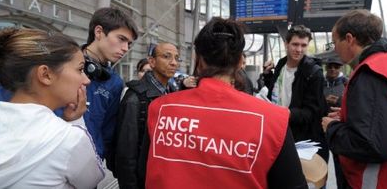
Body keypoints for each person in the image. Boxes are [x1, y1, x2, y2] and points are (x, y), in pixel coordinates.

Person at [140, 17, 308, 188]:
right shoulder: (273, 120)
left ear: (199, 61)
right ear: (238, 63)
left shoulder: (160, 109)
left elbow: (143, 171)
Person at [322, 9, 387, 189]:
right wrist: (353, 115)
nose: (334, 49)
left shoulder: (371, 72)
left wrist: (332, 128)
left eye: (335, 42)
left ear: (349, 39)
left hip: (384, 180)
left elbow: (371, 145)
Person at [0, 28, 104, 188]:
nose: (86, 80)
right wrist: (76, 122)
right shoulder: (69, 139)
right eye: (80, 69)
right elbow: (91, 180)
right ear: (46, 75)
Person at [113, 42, 180, 188]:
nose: (174, 62)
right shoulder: (135, 98)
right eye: (167, 57)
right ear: (152, 61)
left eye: (176, 58)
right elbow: (126, 153)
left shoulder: (172, 93)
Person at [262, 25, 329, 163]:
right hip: (279, 130)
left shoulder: (314, 73)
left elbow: (312, 112)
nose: (299, 50)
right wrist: (268, 75)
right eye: (295, 44)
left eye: (304, 45)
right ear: (286, 44)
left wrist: (284, 113)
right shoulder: (281, 64)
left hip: (302, 138)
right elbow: (277, 90)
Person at [80, 7, 138, 165]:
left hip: (88, 165)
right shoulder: (61, 64)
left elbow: (107, 130)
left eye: (129, 43)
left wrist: (98, 155)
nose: (126, 48)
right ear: (99, 32)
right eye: (121, 39)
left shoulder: (115, 83)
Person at [323, 57, 349, 189]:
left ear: (340, 68)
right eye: (330, 66)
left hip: (338, 128)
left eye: (336, 66)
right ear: (326, 67)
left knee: (340, 163)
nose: (333, 69)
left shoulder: (346, 82)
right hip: (321, 128)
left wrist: (339, 101)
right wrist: (324, 100)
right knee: (321, 162)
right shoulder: (320, 82)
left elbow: (351, 103)